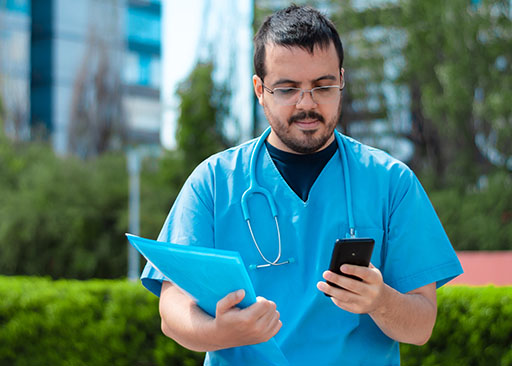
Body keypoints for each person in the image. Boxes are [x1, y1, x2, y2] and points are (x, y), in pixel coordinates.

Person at [141, 5, 463, 365]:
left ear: (342, 80)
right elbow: (172, 309)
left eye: (323, 86)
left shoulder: (391, 182)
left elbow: (420, 326)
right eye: (287, 88)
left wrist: (380, 301)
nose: (306, 104)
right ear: (260, 90)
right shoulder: (214, 183)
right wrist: (220, 332)